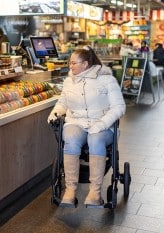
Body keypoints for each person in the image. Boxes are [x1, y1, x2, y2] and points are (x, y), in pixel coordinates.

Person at [47, 46, 126, 207]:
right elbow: (63, 103)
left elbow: (119, 107)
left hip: (103, 125)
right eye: (70, 63)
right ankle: (70, 191)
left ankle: (95, 193)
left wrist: (102, 124)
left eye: (73, 63)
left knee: (95, 140)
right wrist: (55, 113)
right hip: (77, 122)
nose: (70, 66)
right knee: (70, 139)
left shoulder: (106, 80)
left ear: (85, 64)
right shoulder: (69, 81)